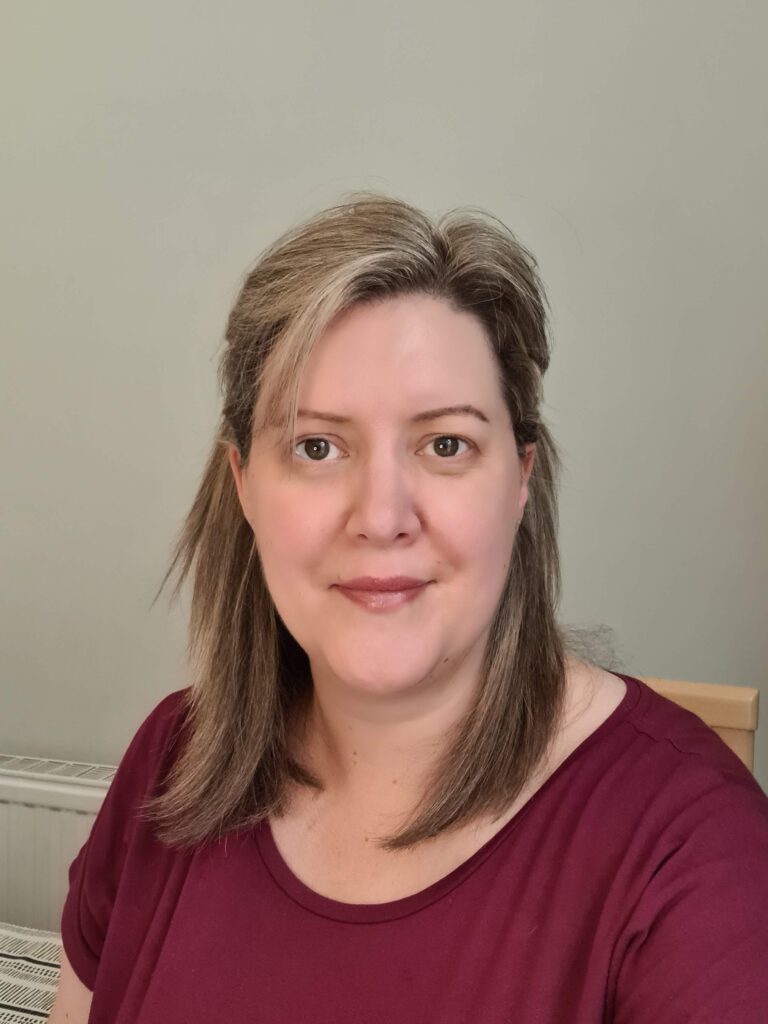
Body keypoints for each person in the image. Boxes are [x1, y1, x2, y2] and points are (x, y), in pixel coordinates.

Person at [48, 194, 768, 1023]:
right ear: (244, 483)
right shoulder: (173, 759)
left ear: (521, 478)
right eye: (317, 446)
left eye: (445, 444)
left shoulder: (692, 858)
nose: (381, 514)